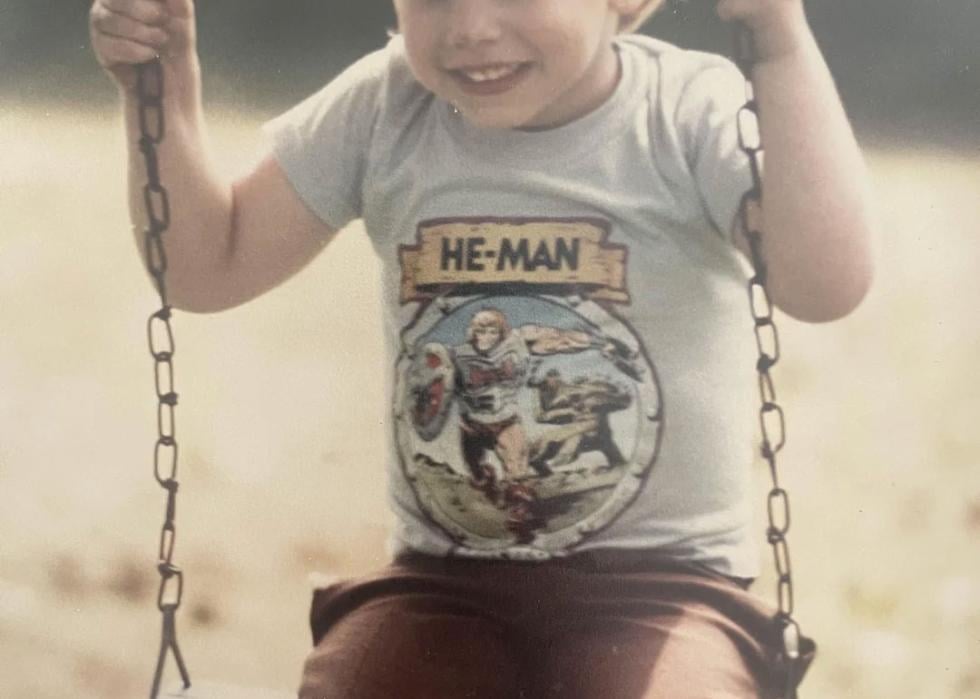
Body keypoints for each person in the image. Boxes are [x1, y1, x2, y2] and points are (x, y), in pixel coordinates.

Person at [90, 0, 875, 696]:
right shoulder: (385, 107)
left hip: (666, 589)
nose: (470, 27)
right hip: (440, 581)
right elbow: (209, 263)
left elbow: (825, 283)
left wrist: (778, 41)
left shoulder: (685, 111)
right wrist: (163, 91)